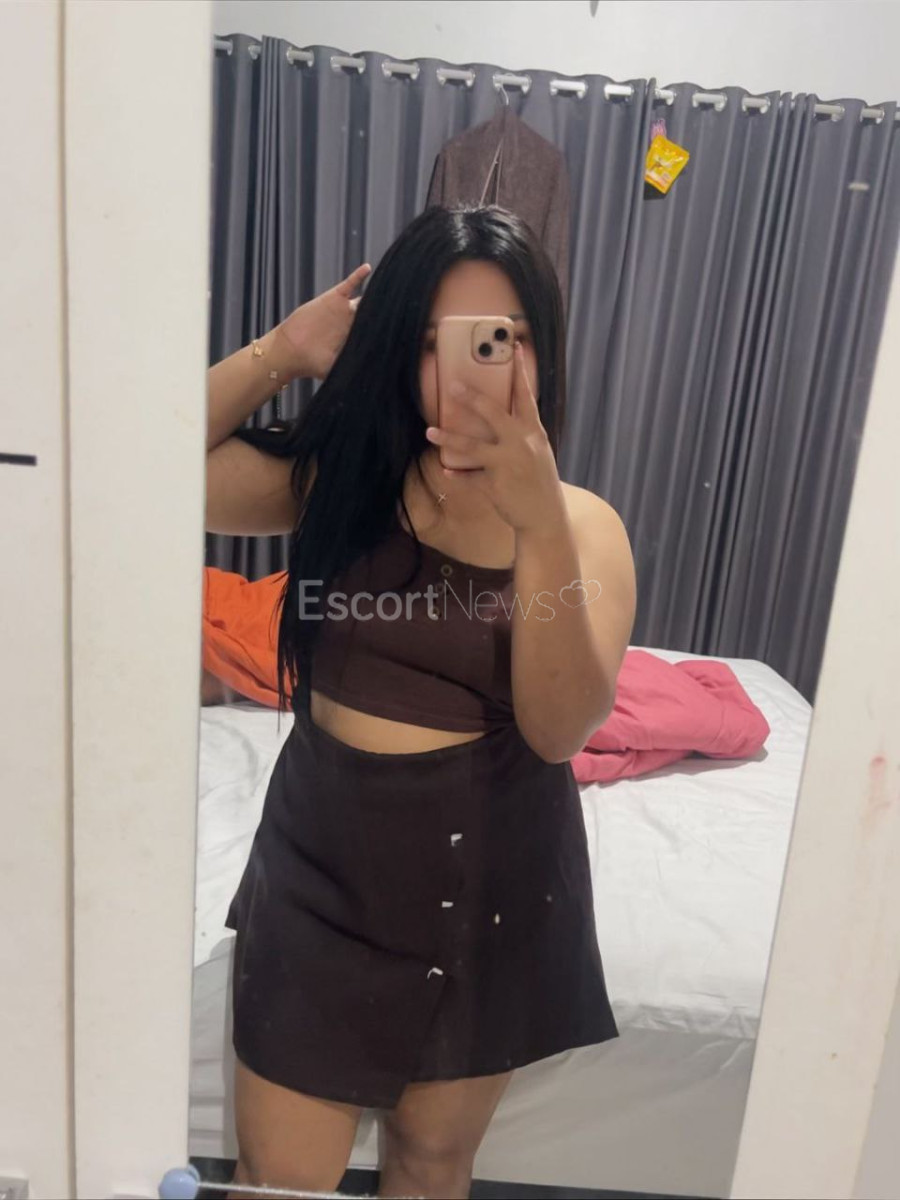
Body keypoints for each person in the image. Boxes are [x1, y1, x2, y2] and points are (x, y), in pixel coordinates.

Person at [205, 205, 637, 1200]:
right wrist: (283, 352)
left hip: (486, 889)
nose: (462, 374)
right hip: (317, 880)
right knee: (278, 1178)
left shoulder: (582, 529)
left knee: (434, 1163)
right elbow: (141, 465)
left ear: (540, 353)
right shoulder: (341, 483)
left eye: (498, 340)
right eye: (433, 342)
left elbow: (560, 728)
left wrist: (537, 527)